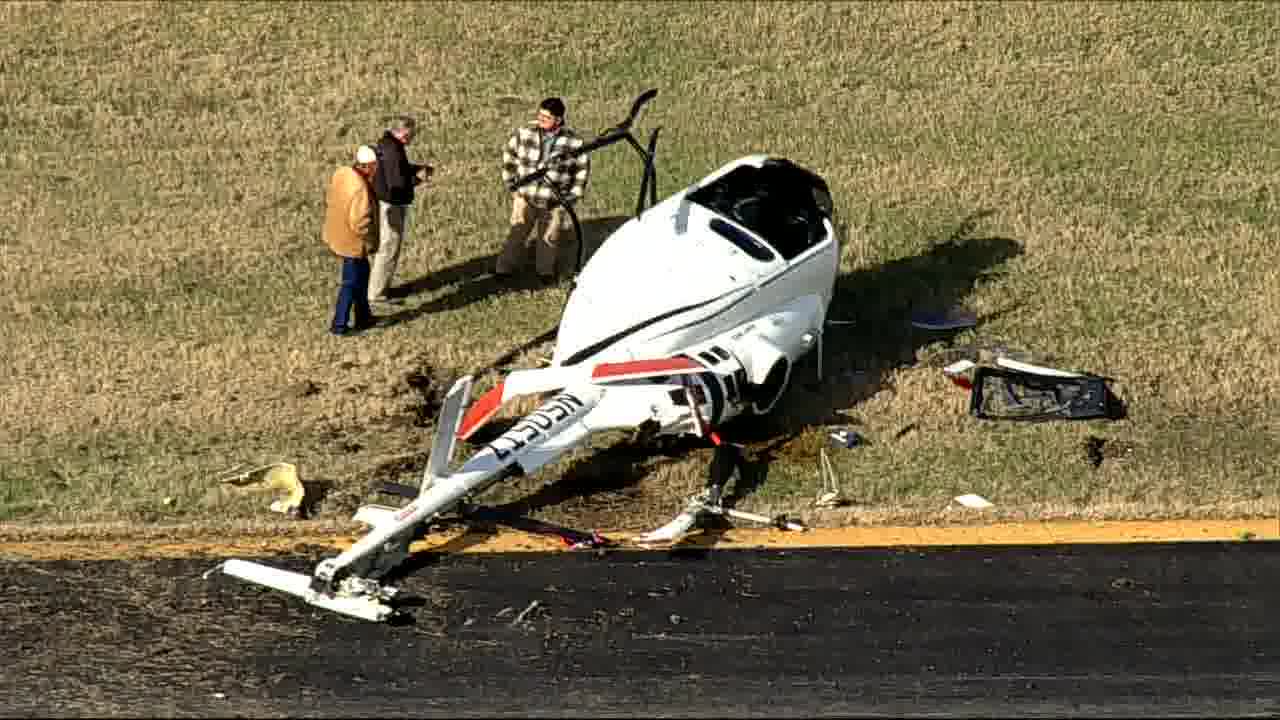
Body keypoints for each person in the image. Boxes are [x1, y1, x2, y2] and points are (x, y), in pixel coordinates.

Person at [497, 97, 590, 285]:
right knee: (516, 235)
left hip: (554, 202)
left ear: (559, 119)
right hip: (525, 197)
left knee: (549, 239)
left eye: (546, 117)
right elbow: (509, 157)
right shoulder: (524, 133)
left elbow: (581, 173)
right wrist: (512, 186)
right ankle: (503, 270)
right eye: (540, 115)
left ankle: (545, 273)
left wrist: (569, 199)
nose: (540, 119)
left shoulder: (574, 142)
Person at [369, 115, 432, 304]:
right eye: (412, 134)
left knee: (386, 247)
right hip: (392, 205)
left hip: (385, 203)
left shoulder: (388, 144)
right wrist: (419, 179)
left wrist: (416, 168)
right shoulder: (393, 150)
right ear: (403, 133)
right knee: (389, 247)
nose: (413, 137)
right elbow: (397, 183)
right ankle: (377, 295)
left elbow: (399, 169)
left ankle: (379, 288)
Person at [324, 145, 379, 336]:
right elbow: (360, 223)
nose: (377, 169)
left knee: (362, 276)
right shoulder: (360, 188)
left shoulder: (342, 175)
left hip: (339, 235)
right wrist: (370, 239)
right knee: (350, 283)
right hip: (353, 243)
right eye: (375, 165)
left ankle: (364, 317)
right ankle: (339, 325)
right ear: (368, 166)